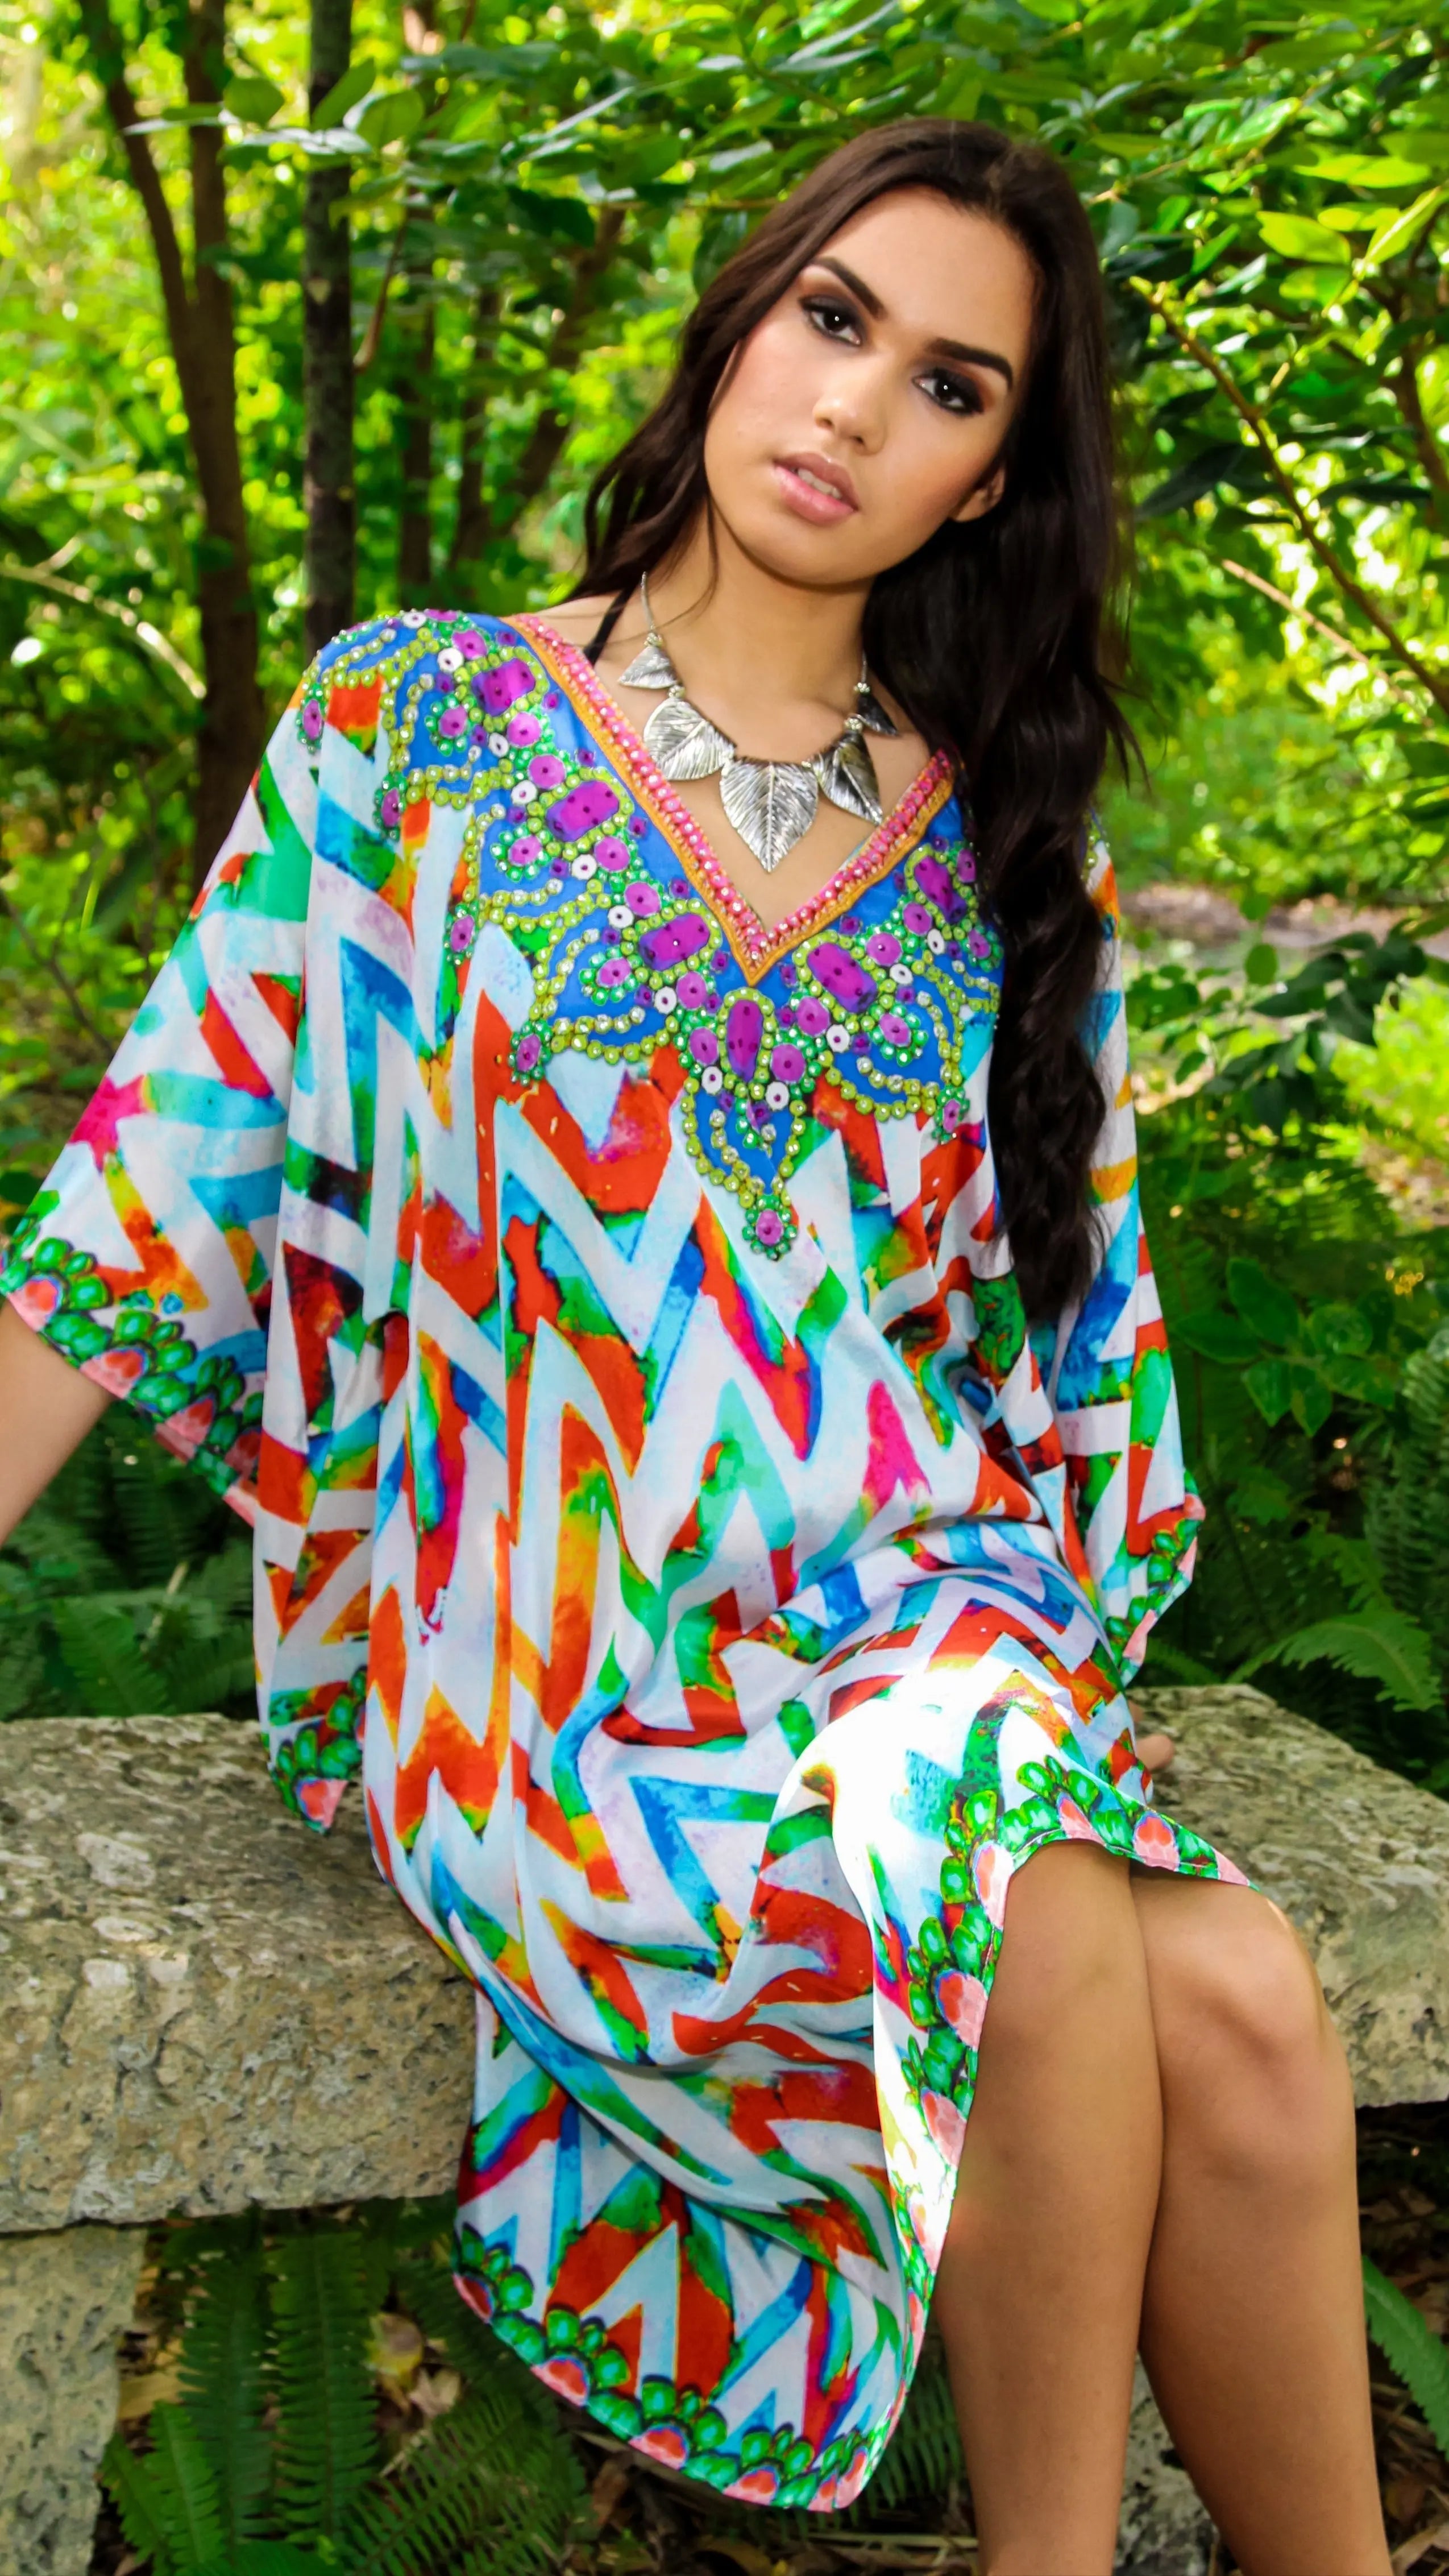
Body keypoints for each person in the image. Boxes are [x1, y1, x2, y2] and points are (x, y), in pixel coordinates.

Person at [0, 118, 1388, 2576]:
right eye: (834, 317)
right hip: (542, 1648)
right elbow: (136, 1213)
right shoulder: (408, 734)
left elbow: (1052, 1344)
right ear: (745, 317)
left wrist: (1042, 1656)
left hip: (908, 1620)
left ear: (985, 486)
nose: (855, 405)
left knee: (1253, 2009)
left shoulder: (993, 846)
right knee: (1052, 1904)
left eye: (947, 385)